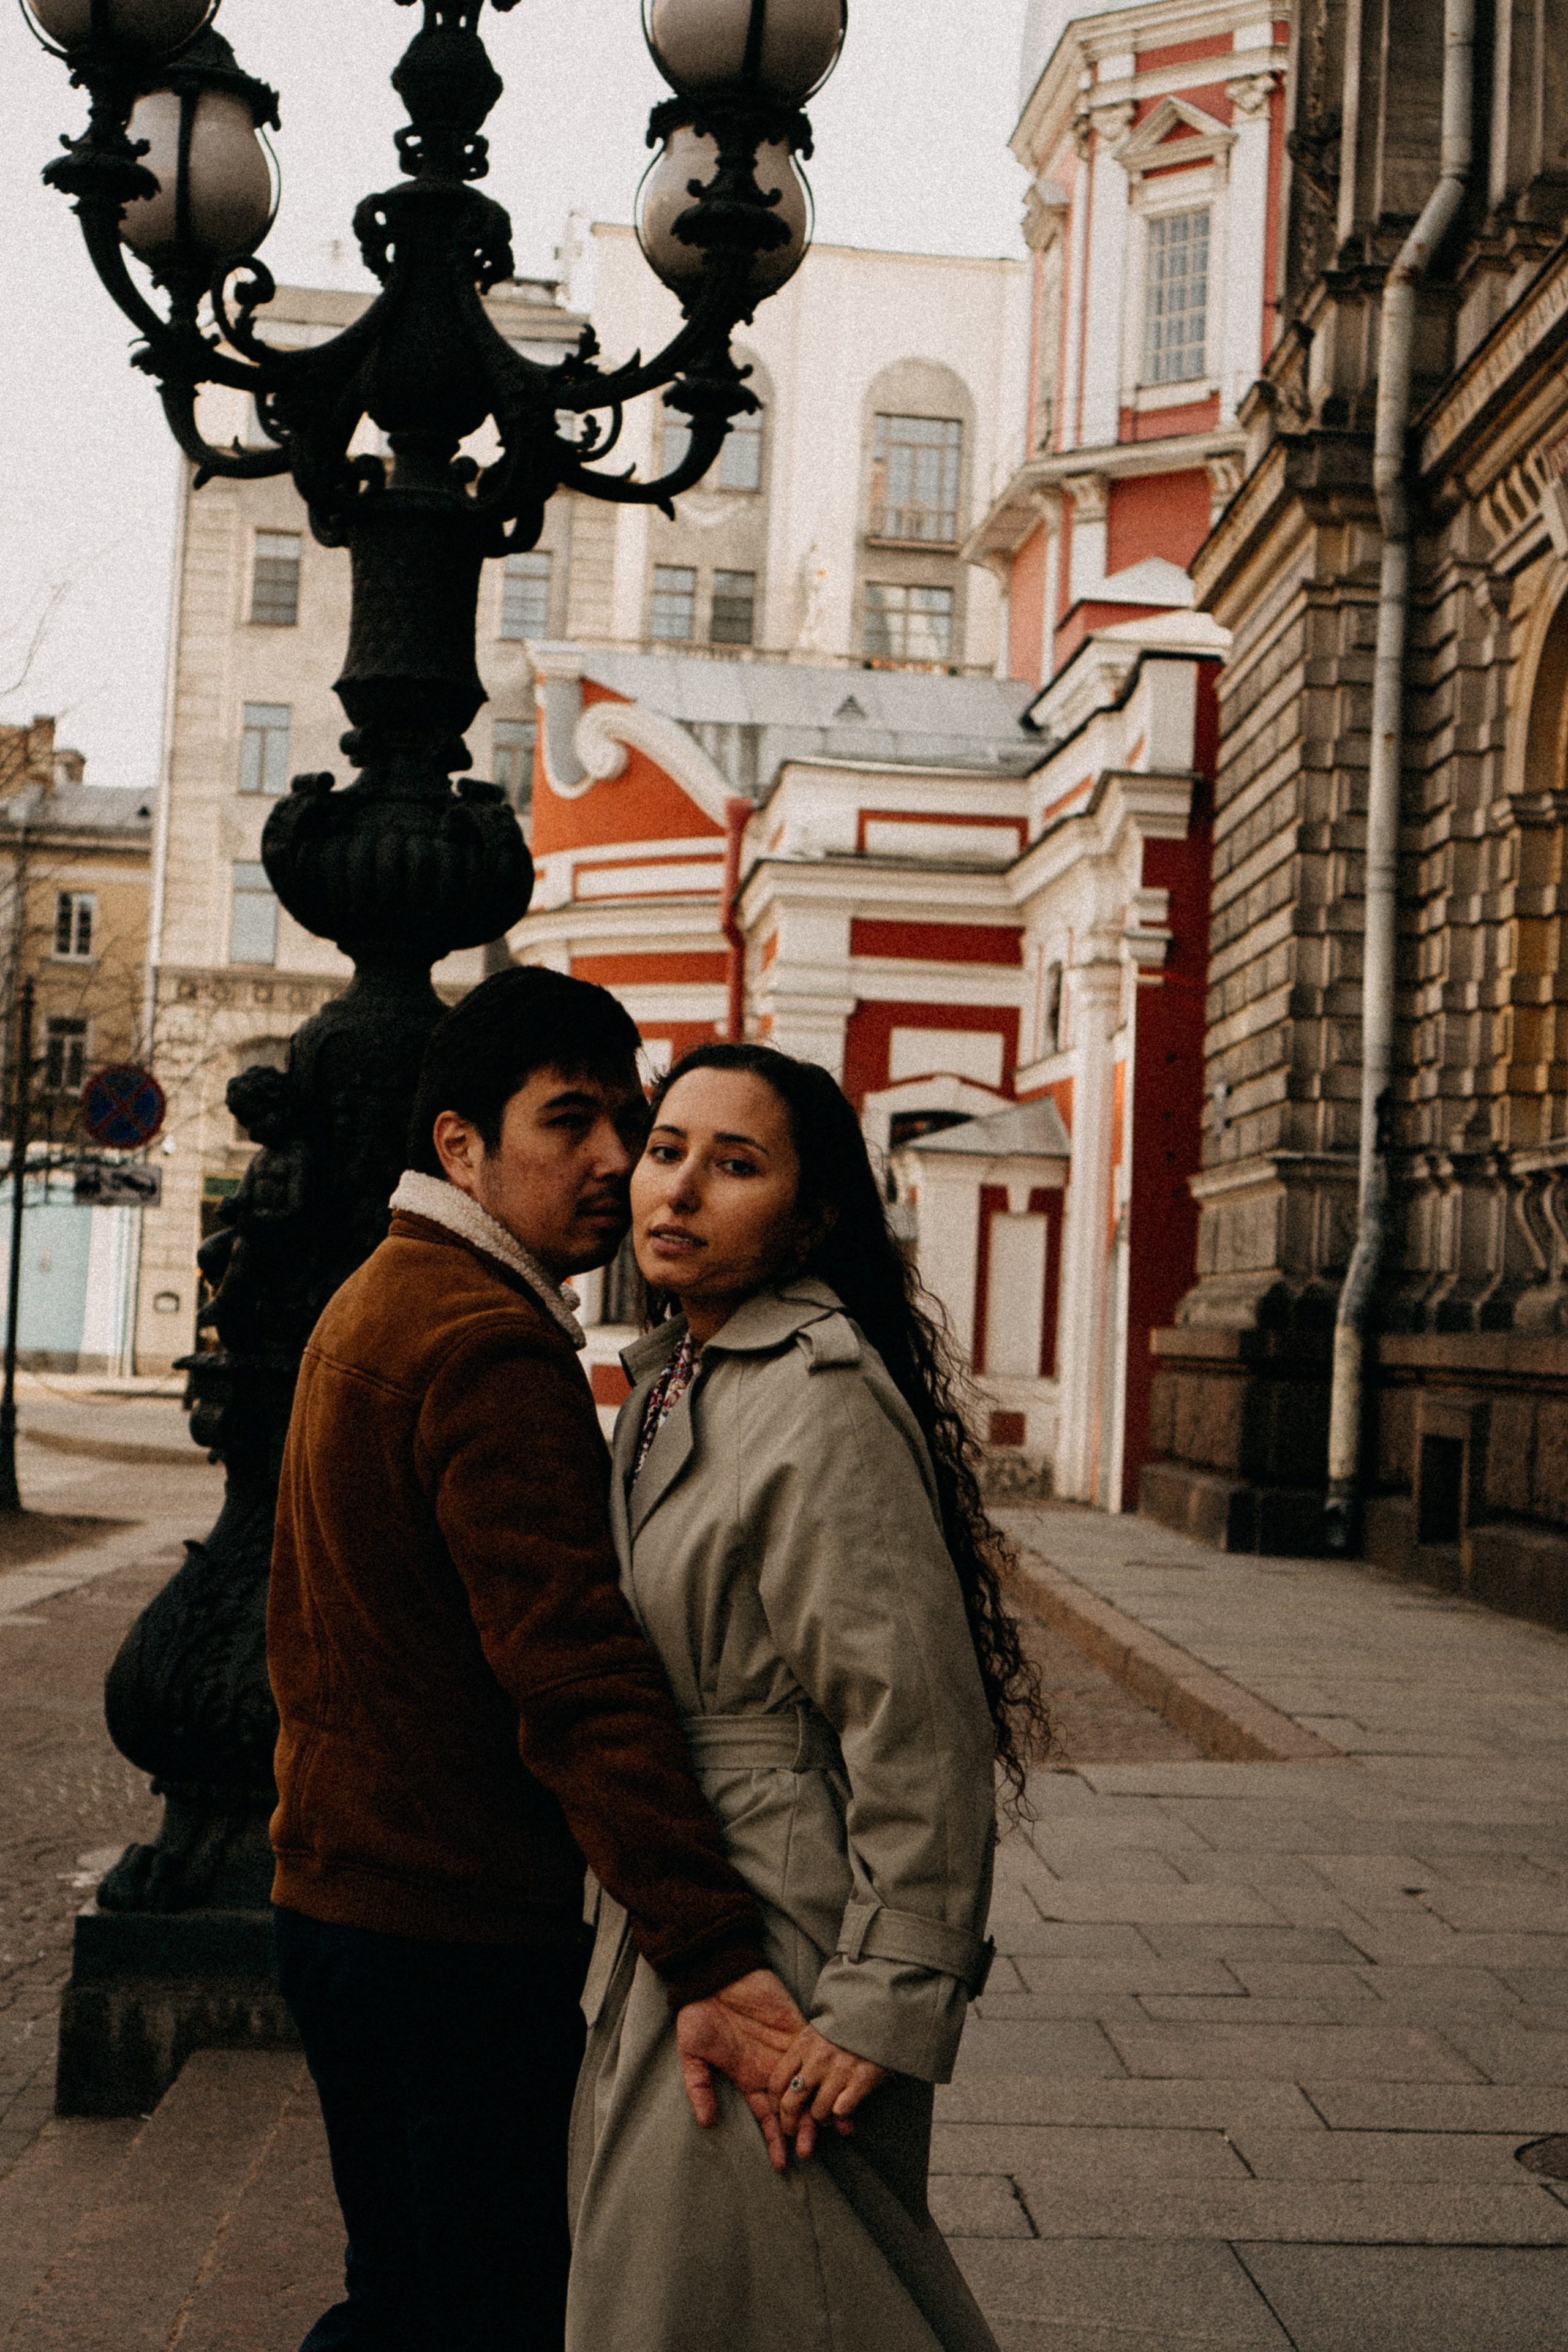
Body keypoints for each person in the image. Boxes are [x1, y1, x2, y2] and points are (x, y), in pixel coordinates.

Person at [268, 972, 807, 2352]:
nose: (618, 1162)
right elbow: (575, 1679)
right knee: (473, 2310)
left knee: (406, 2294)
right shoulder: (486, 1346)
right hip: (447, 1933)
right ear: (461, 1145)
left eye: (627, 1122)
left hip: (348, 1900)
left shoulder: (383, 1296)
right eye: (570, 1122)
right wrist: (711, 1947)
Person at [567, 1041, 1049, 2352]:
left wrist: (894, 1987)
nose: (677, 1191)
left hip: (781, 1925)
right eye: (666, 1151)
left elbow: (915, 1718)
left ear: (810, 1213)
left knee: (760, 2293)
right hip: (673, 1907)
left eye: (734, 1166)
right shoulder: (669, 1379)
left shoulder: (818, 1395)